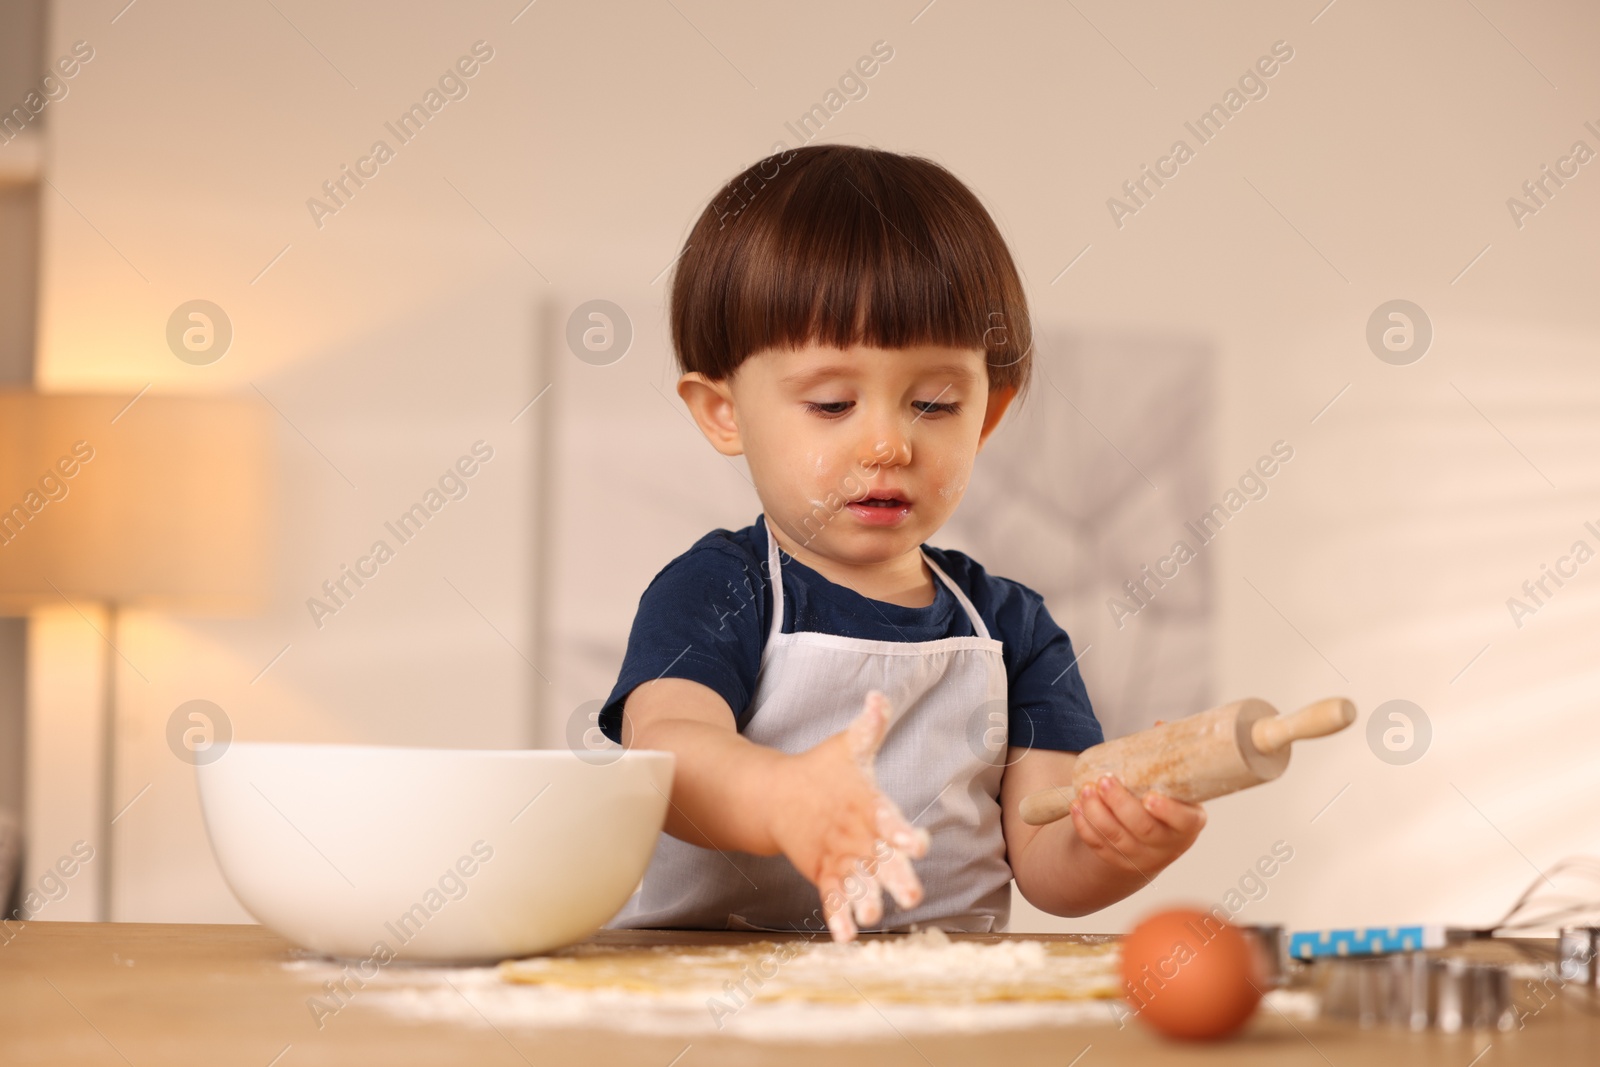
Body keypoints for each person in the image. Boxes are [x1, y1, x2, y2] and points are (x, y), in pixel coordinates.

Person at [597, 144, 1205, 942]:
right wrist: (781, 797)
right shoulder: (718, 590)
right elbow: (669, 759)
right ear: (722, 412)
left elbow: (1048, 857)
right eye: (831, 403)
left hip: (943, 996)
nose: (888, 444)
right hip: (720, 997)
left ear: (987, 415)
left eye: (934, 403)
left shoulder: (1011, 630)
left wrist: (1117, 843)